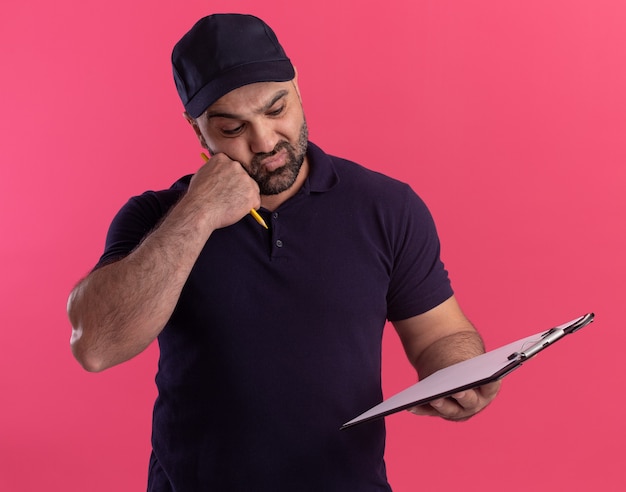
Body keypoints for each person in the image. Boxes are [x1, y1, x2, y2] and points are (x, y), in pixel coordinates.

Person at [67, 13, 499, 491]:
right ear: (198, 132)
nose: (266, 141)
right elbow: (96, 347)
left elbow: (440, 336)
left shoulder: (387, 207)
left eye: (277, 110)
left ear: (298, 90)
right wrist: (197, 214)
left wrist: (459, 373)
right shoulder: (156, 219)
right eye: (233, 127)